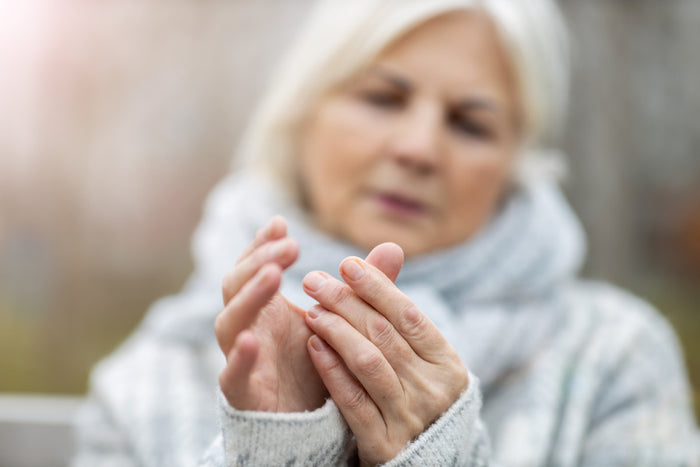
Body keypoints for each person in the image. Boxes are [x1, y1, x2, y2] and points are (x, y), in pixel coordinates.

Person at [73, 0, 699, 465]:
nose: (419, 148)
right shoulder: (147, 382)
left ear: (515, 164)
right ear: (301, 115)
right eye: (382, 98)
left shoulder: (613, 358)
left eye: (470, 124)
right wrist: (275, 449)